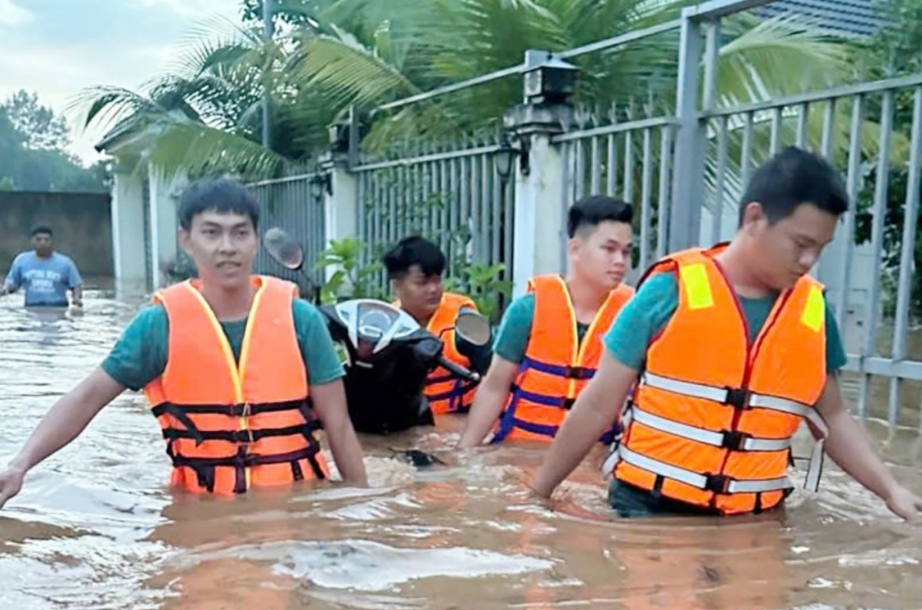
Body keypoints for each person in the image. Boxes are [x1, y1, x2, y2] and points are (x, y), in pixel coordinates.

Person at [529, 147, 922, 521]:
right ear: (754, 218)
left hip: (753, 519)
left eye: (820, 248)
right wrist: (540, 494)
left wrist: (890, 491)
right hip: (648, 511)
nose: (808, 261)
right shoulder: (670, 290)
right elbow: (599, 404)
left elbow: (831, 417)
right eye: (800, 243)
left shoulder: (814, 313)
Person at [0, 177, 368, 507]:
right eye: (212, 232)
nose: (227, 246)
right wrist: (19, 466)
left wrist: (361, 509)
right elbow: (85, 399)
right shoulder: (158, 325)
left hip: (298, 505)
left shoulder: (300, 318)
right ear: (186, 240)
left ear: (256, 241)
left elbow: (338, 424)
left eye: (240, 233)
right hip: (202, 507)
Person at [457, 195, 636, 447]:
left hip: (595, 455)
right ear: (575, 249)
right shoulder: (528, 310)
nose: (620, 261)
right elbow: (495, 385)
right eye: (609, 249)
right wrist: (465, 451)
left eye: (626, 252)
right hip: (522, 451)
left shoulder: (634, 316)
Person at [383, 235, 492, 416]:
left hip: (461, 422)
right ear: (396, 286)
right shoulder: (385, 325)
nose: (433, 289)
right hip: (408, 425)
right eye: (422, 282)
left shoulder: (468, 322)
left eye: (437, 280)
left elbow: (497, 380)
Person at [0, 225, 83, 308]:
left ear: (52, 242)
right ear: (32, 241)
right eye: (38, 240)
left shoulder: (65, 263)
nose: (43, 243)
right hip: (31, 307)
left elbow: (76, 285)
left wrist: (76, 299)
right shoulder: (21, 261)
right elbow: (12, 283)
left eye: (46, 240)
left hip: (58, 307)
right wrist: (5, 289)